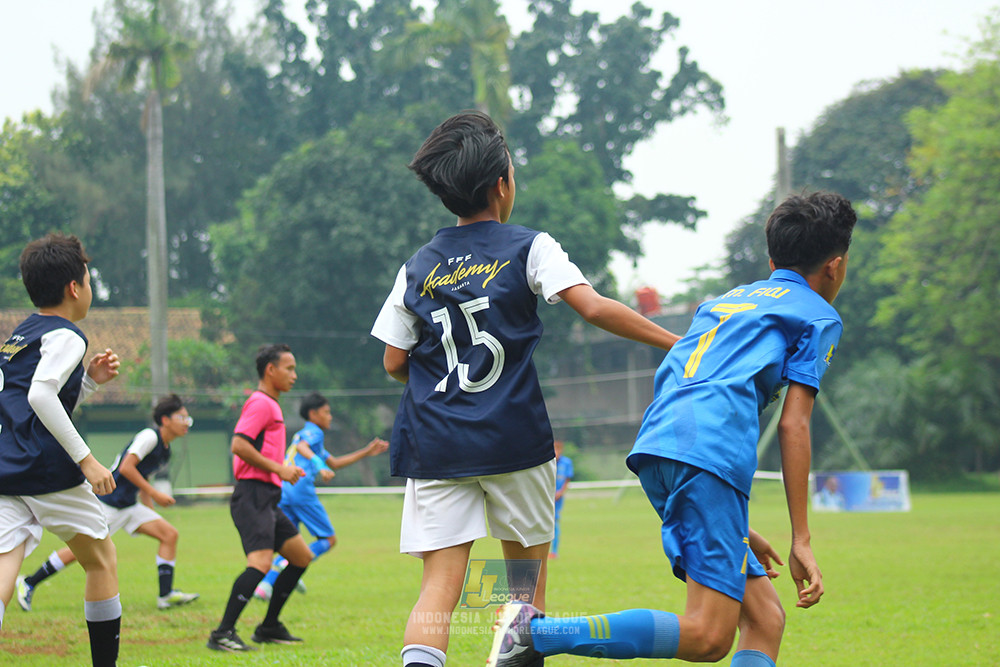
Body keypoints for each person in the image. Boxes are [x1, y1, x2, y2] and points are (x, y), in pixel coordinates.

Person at [487, 191, 857, 667]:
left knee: (765, 618)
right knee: (708, 637)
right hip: (708, 460)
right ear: (835, 265)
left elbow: (681, 378)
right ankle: (533, 632)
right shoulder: (818, 314)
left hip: (661, 445)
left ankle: (532, 632)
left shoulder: (724, 304)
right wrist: (800, 538)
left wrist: (736, 523)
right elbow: (794, 424)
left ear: (772, 259)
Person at [371, 110, 679, 667]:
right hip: (514, 440)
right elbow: (594, 306)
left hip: (435, 442)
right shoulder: (528, 245)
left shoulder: (416, 265)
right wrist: (675, 342)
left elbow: (394, 360)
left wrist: (435, 374)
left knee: (438, 592)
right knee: (523, 595)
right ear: (502, 185)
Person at [0, 233, 122, 667]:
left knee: (3, 575)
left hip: (7, 469)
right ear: (75, 288)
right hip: (48, 472)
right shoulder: (69, 335)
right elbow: (40, 398)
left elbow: (25, 401)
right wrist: (87, 460)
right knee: (101, 560)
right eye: (88, 280)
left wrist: (86, 383)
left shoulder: (20, 334)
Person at [15, 393, 200, 612]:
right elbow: (126, 468)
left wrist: (149, 507)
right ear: (166, 420)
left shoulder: (166, 450)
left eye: (188, 419)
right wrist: (156, 494)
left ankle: (166, 595)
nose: (186, 423)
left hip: (129, 505)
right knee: (78, 551)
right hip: (110, 502)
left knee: (169, 535)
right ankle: (28, 582)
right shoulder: (149, 437)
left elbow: (144, 476)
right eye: (182, 417)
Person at [206, 343, 312, 653]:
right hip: (252, 494)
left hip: (267, 497)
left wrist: (279, 471)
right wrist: (280, 468)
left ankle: (268, 627)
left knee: (301, 557)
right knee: (260, 563)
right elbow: (239, 445)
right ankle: (222, 633)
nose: (294, 375)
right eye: (289, 368)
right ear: (270, 370)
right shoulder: (261, 403)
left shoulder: (271, 405)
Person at [253, 391, 389, 601]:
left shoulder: (307, 434)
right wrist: (318, 466)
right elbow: (302, 448)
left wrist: (366, 452)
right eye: (326, 412)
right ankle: (288, 567)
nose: (330, 416)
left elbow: (333, 463)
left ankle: (264, 586)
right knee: (329, 539)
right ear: (313, 413)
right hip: (300, 491)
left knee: (290, 543)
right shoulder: (314, 433)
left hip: (284, 490)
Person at [549, 441, 573, 559]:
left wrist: (560, 493)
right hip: (547, 496)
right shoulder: (548, 462)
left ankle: (554, 551)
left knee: (555, 522)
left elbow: (567, 479)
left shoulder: (566, 462)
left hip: (558, 498)